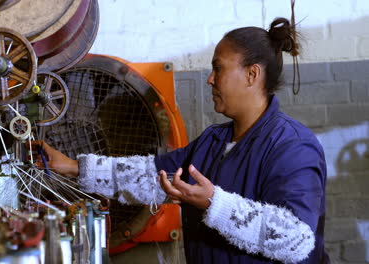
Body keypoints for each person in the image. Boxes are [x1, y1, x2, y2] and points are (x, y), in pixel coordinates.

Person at [33, 17, 328, 263]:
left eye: (219, 67)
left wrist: (215, 203)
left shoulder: (292, 146)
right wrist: (73, 167)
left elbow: (297, 239)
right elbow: (152, 177)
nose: (210, 79)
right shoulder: (214, 140)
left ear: (252, 75)